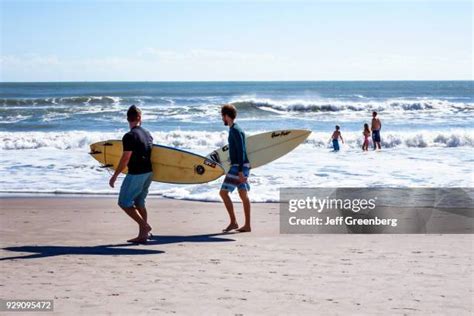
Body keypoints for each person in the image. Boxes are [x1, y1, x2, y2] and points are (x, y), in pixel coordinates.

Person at [109, 105, 154, 243]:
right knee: (140, 202)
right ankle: (143, 235)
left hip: (136, 173)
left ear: (127, 119)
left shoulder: (129, 136)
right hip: (149, 173)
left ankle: (144, 226)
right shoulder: (147, 134)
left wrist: (115, 175)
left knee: (123, 202)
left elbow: (126, 158)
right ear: (140, 118)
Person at [219, 104, 252, 233]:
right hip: (243, 165)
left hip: (238, 166)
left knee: (223, 193)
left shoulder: (235, 130)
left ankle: (233, 222)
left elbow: (241, 151)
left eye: (222, 116)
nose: (222, 119)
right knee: (243, 195)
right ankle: (247, 225)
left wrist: (239, 171)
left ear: (226, 116)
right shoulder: (236, 129)